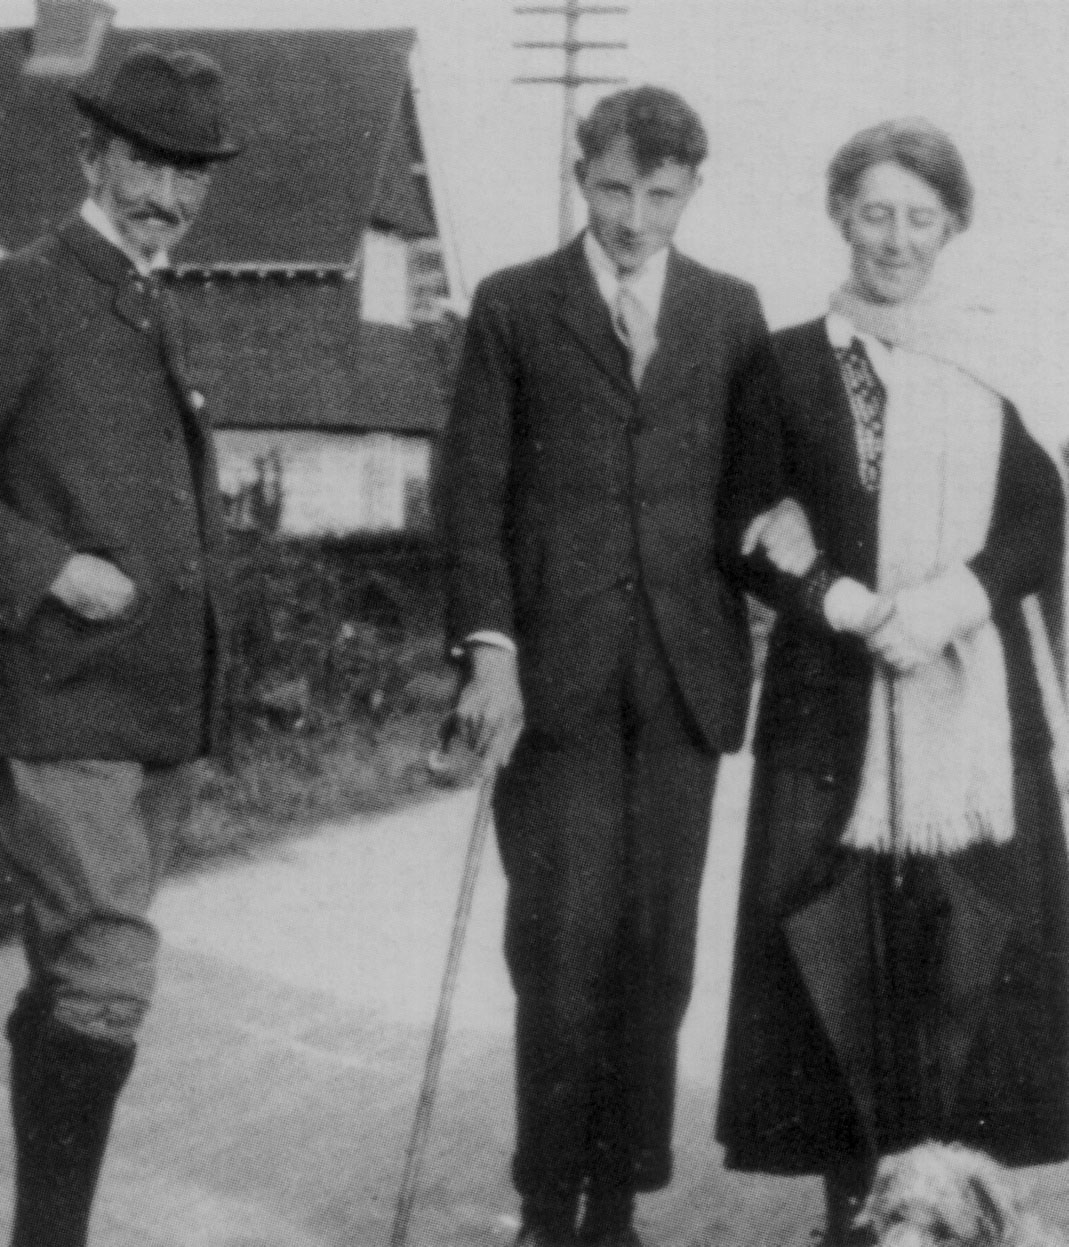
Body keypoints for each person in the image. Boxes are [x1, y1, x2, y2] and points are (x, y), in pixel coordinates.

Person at [0, 44, 240, 1247]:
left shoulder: (152, 301)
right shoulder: (26, 289)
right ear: (92, 153)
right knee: (107, 977)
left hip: (149, 712)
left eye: (192, 172)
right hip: (61, 700)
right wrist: (49, 570)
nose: (170, 195)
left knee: (68, 975)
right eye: (148, 161)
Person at [716, 118, 1069, 1245]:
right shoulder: (781, 361)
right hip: (833, 710)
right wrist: (846, 605)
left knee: (969, 967)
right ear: (839, 216)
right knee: (841, 967)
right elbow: (746, 521)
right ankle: (857, 1220)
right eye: (874, 212)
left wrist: (943, 606)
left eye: (919, 216)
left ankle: (960, 1220)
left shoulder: (990, 355)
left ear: (951, 226)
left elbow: (1037, 517)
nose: (895, 238)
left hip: (969, 707)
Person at [441, 86, 781, 1246]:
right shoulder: (512, 306)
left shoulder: (730, 314)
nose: (634, 217)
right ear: (578, 174)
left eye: (660, 193)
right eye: (612, 188)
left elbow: (753, 494)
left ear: (692, 190)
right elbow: (471, 496)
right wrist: (489, 653)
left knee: (657, 950)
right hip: (555, 687)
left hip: (683, 682)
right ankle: (545, 1202)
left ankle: (616, 1203)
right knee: (560, 943)